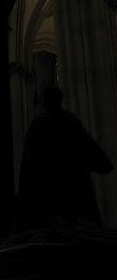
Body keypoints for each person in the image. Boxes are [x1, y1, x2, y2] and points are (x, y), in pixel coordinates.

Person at [18, 86, 113, 228]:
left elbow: (28, 167)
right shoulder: (70, 122)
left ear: (44, 102)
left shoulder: (38, 126)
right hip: (75, 196)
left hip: (49, 198)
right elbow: (95, 154)